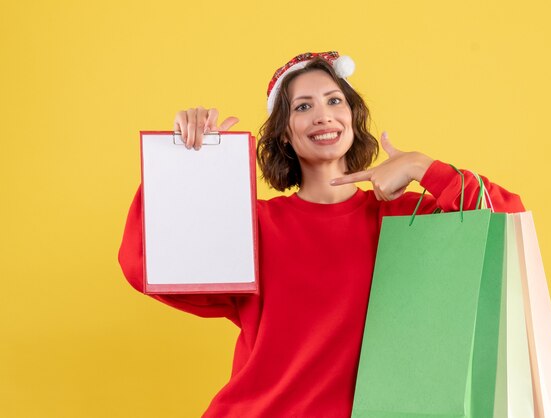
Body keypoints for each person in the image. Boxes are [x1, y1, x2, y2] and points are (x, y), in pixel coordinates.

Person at [119, 51, 525, 417]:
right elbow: (143, 264)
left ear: (352, 116)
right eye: (303, 106)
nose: (323, 115)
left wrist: (422, 166)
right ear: (283, 132)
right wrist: (183, 159)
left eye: (334, 101)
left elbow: (509, 222)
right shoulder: (253, 225)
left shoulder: (404, 220)